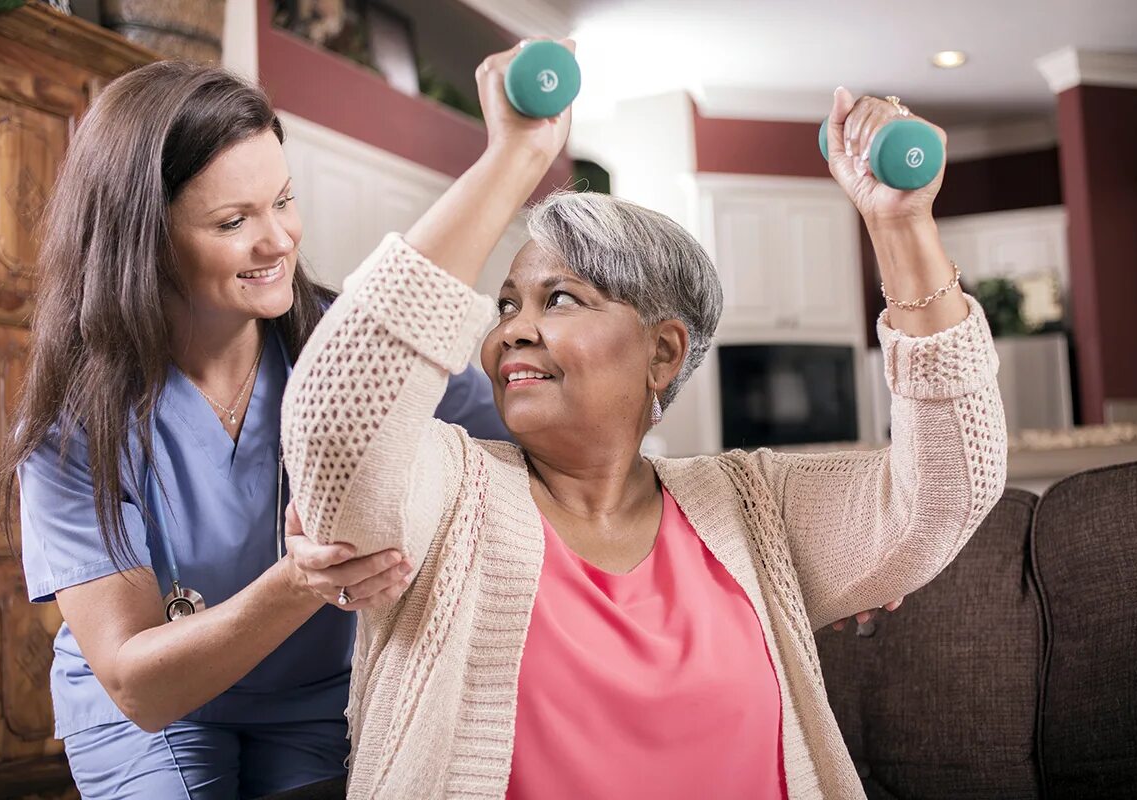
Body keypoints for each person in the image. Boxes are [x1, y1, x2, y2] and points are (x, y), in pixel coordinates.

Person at [282, 40, 1007, 800]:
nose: (509, 333)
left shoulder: (752, 509)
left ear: (662, 353)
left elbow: (949, 492)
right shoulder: (446, 496)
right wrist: (512, 160)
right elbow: (338, 420)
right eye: (506, 306)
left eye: (558, 299)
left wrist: (900, 226)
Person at [0, 61, 508, 800]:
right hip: (152, 715)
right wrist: (302, 583)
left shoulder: (350, 346)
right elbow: (140, 687)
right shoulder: (71, 424)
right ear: (145, 238)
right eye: (233, 222)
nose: (278, 241)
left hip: (318, 698)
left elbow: (517, 443)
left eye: (284, 201)